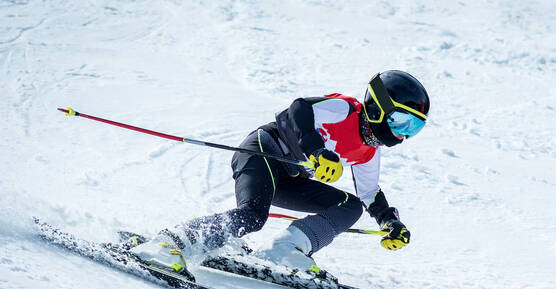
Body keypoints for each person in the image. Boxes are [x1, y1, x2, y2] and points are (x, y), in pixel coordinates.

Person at [131, 70, 430, 277]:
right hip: (262, 151)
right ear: (379, 107)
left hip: (289, 179)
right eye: (401, 122)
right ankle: (167, 244)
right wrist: (316, 151)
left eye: (412, 129)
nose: (403, 135)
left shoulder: (369, 151)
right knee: (252, 216)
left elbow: (370, 194)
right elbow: (300, 109)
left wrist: (389, 221)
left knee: (350, 206)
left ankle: (286, 250)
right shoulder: (346, 110)